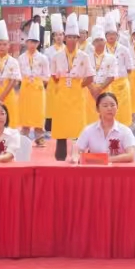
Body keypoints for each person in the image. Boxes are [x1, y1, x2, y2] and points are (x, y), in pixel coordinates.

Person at [49, 15, 95, 162]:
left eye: (75, 37)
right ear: (64, 38)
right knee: (61, 127)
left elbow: (91, 77)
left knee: (78, 127)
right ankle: (60, 156)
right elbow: (53, 75)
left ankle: (79, 156)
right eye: (69, 37)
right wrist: (63, 84)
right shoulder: (56, 56)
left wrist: (79, 85)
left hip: (78, 95)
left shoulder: (84, 56)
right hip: (62, 95)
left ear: (78, 38)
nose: (72, 40)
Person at [75, 92, 135, 163]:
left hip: (117, 171)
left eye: (112, 105)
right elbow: (77, 153)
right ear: (97, 109)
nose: (109, 108)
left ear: (117, 108)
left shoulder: (125, 131)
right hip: (95, 171)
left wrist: (106, 160)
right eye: (105, 106)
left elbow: (131, 155)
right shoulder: (88, 130)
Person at [17, 23, 50, 147]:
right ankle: (24, 135)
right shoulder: (21, 58)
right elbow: (18, 75)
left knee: (38, 112)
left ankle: (39, 136)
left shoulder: (43, 58)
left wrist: (37, 81)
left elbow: (47, 76)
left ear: (38, 44)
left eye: (35, 42)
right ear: (27, 42)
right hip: (25, 89)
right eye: (30, 42)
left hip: (38, 90)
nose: (32, 45)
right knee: (25, 111)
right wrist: (25, 80)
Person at [0, 21, 22, 130]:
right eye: (0, 44)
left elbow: (14, 81)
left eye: (5, 44)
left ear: (9, 46)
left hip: (8, 95)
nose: (2, 47)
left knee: (9, 122)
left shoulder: (13, 61)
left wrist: (1, 97)